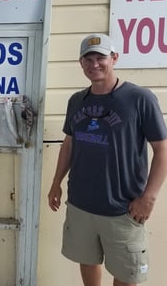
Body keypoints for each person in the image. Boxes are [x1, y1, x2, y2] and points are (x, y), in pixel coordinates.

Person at [47, 34, 167, 286]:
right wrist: (56, 181)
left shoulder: (139, 99)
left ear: (114, 58)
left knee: (125, 273)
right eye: (87, 59)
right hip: (81, 204)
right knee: (87, 259)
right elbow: (69, 143)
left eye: (100, 57)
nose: (94, 64)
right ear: (81, 63)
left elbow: (162, 149)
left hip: (122, 208)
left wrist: (149, 197)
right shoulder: (77, 101)